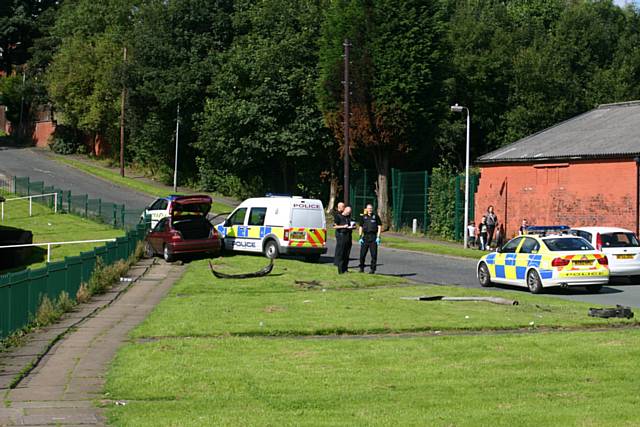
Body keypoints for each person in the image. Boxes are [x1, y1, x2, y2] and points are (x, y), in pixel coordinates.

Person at [358, 203, 382, 274]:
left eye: (371, 208)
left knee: (374, 255)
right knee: (362, 254)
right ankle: (361, 268)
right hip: (365, 237)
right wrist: (360, 237)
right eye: (368, 208)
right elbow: (360, 227)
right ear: (366, 209)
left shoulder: (376, 217)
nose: (370, 210)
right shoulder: (363, 217)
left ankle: (373, 269)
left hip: (373, 237)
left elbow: (379, 226)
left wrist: (378, 237)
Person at [334, 205, 355, 274]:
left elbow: (351, 225)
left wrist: (353, 227)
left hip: (348, 235)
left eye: (349, 212)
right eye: (348, 212)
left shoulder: (349, 217)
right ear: (344, 210)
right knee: (342, 253)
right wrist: (343, 226)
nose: (348, 213)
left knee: (347, 253)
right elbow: (335, 226)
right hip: (342, 235)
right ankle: (340, 270)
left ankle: (345, 269)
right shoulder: (338, 216)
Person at [332, 202, 346, 266]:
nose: (344, 208)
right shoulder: (337, 215)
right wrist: (343, 226)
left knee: (342, 248)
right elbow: (334, 226)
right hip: (339, 233)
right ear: (339, 207)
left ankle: (340, 262)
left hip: (343, 233)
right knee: (339, 248)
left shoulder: (343, 214)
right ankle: (337, 262)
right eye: (343, 206)